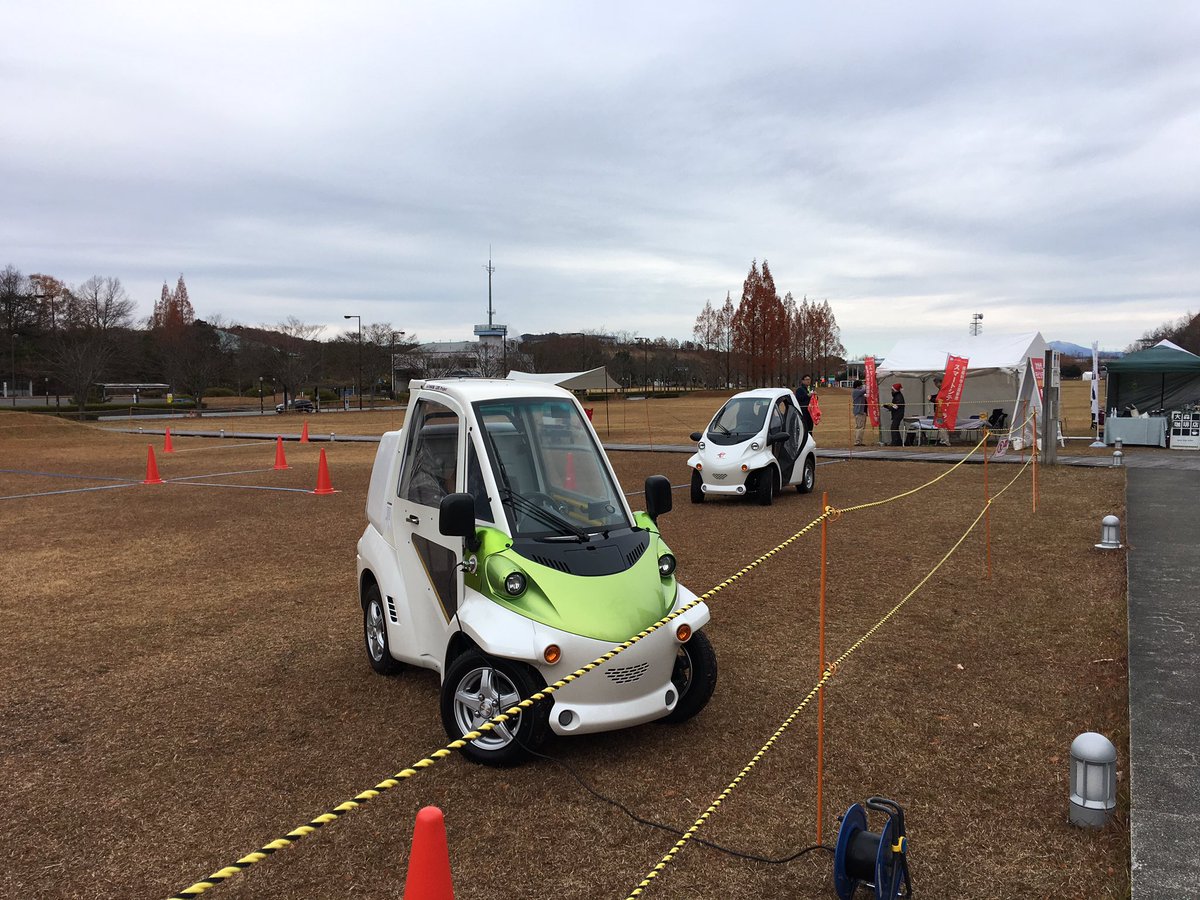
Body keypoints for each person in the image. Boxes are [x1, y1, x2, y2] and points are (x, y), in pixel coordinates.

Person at [928, 379, 951, 446]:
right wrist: (932, 396)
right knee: (941, 426)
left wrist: (931, 399)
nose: (935, 385)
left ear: (940, 383)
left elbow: (940, 399)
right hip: (940, 411)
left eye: (936, 383)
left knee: (941, 426)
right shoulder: (942, 390)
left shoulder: (944, 390)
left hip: (941, 411)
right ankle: (943, 440)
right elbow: (938, 396)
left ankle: (945, 441)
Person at [883, 382, 905, 447]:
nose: (891, 391)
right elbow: (894, 405)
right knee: (895, 427)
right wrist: (887, 405)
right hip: (898, 414)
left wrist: (888, 406)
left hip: (898, 414)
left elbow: (895, 406)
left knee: (893, 428)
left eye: (892, 390)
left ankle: (895, 442)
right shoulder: (897, 396)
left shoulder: (898, 396)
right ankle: (898, 442)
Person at [851, 380, 867, 445]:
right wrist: (867, 383)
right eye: (861, 385)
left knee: (861, 427)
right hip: (859, 412)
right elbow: (865, 390)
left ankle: (859, 441)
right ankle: (857, 441)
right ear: (858, 386)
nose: (862, 386)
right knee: (859, 427)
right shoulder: (856, 391)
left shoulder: (858, 392)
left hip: (861, 411)